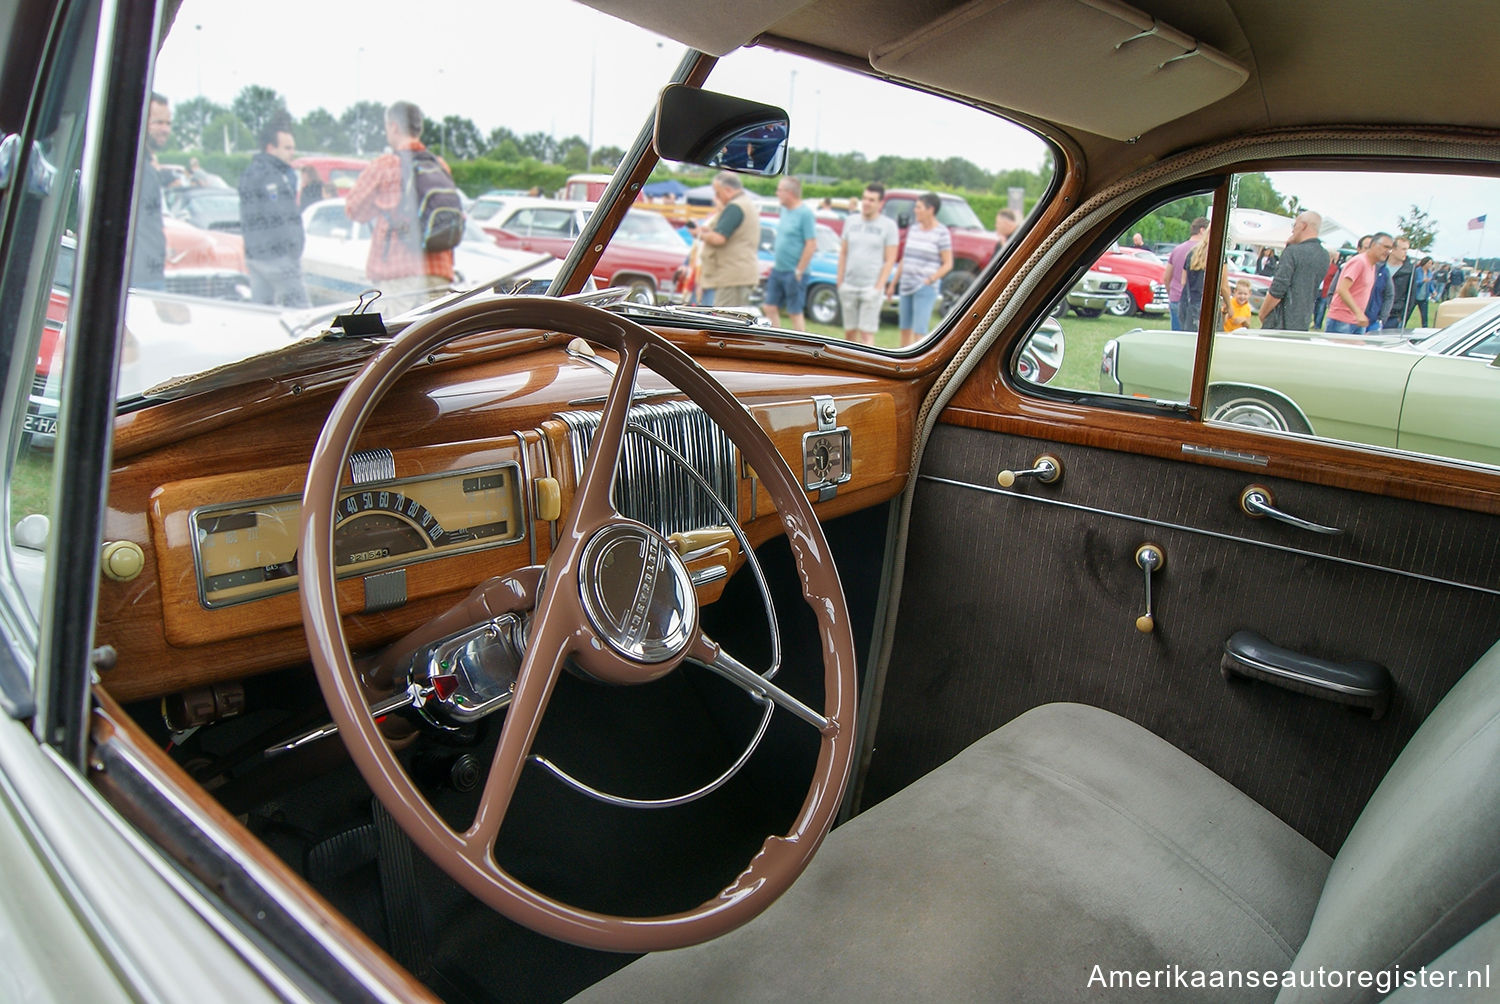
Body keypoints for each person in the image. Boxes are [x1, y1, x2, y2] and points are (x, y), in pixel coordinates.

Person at [345, 101, 455, 308]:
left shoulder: (385, 166)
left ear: (393, 126)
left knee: (398, 338)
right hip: (439, 272)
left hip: (399, 277)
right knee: (435, 339)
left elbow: (353, 209)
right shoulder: (440, 166)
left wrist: (379, 207)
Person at [238, 120, 309, 307]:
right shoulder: (273, 177)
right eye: (287, 148)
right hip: (278, 257)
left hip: (255, 255)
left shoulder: (249, 173)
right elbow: (281, 214)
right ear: (271, 148)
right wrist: (293, 248)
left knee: (262, 311)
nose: (292, 153)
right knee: (301, 313)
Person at [835, 182, 899, 345]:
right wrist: (840, 280)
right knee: (849, 333)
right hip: (849, 285)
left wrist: (878, 287)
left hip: (870, 287)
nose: (866, 203)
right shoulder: (851, 221)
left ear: (880, 203)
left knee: (866, 335)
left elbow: (890, 258)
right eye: (864, 198)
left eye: (871, 200)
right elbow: (843, 252)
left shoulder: (888, 226)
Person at [887, 192, 952, 348]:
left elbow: (948, 263)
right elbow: (905, 258)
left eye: (918, 207)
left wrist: (930, 280)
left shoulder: (941, 233)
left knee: (919, 331)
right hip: (906, 285)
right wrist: (893, 283)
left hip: (924, 287)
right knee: (904, 329)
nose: (915, 210)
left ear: (931, 209)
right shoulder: (914, 229)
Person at [694, 171, 759, 308]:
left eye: (718, 193)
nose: (717, 197)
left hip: (732, 277)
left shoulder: (735, 207)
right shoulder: (745, 204)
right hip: (738, 275)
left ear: (728, 190)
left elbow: (719, 239)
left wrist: (699, 234)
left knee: (725, 321)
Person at [762, 176, 817, 329]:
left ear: (789, 192)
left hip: (795, 272)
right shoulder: (785, 210)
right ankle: (776, 342)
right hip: (778, 269)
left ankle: (800, 347)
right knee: (769, 307)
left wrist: (799, 270)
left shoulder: (805, 214)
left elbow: (811, 244)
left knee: (794, 311)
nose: (776, 193)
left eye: (779, 190)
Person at [1257, 210, 1326, 331]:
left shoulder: (1293, 252)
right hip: (1303, 322)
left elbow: (1278, 289)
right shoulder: (1324, 256)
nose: (1293, 230)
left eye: (1295, 225)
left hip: (1279, 321)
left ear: (1303, 225)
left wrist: (1263, 313)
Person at [130, 92, 171, 290]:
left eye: (168, 123)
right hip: (142, 281)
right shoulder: (137, 169)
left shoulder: (145, 167)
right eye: (159, 122)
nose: (166, 130)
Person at [1325, 232, 1393, 333]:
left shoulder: (1373, 266)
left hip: (1357, 321)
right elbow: (1342, 289)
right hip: (1342, 320)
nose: (1388, 252)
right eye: (1385, 247)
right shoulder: (1359, 262)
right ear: (1374, 245)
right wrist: (1358, 313)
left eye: (1390, 248)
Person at [1163, 217, 1209, 330]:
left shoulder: (1177, 249)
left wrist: (1171, 294)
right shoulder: (1203, 252)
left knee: (1177, 339)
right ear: (1202, 230)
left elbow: (1166, 278)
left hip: (1176, 298)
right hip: (1194, 301)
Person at [1384, 238, 1415, 329]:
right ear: (1393, 249)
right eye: (1403, 249)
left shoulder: (1410, 270)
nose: (1405, 252)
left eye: (1407, 249)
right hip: (1375, 314)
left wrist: (1402, 318)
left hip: (1394, 316)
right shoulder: (1380, 265)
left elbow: (1411, 297)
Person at [1179, 235, 1209, 328]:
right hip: (1205, 304)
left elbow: (1183, 281)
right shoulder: (1217, 256)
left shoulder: (1191, 254)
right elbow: (1223, 287)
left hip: (1188, 301)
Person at [1407, 256, 1432, 327]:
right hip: (1415, 296)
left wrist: (1433, 291)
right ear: (1425, 263)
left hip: (1424, 297)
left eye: (1431, 263)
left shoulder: (1429, 272)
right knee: (1408, 314)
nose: (1430, 265)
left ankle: (1425, 329)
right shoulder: (1417, 271)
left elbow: (1430, 283)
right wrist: (1422, 281)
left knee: (1424, 316)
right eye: (1429, 263)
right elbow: (1414, 283)